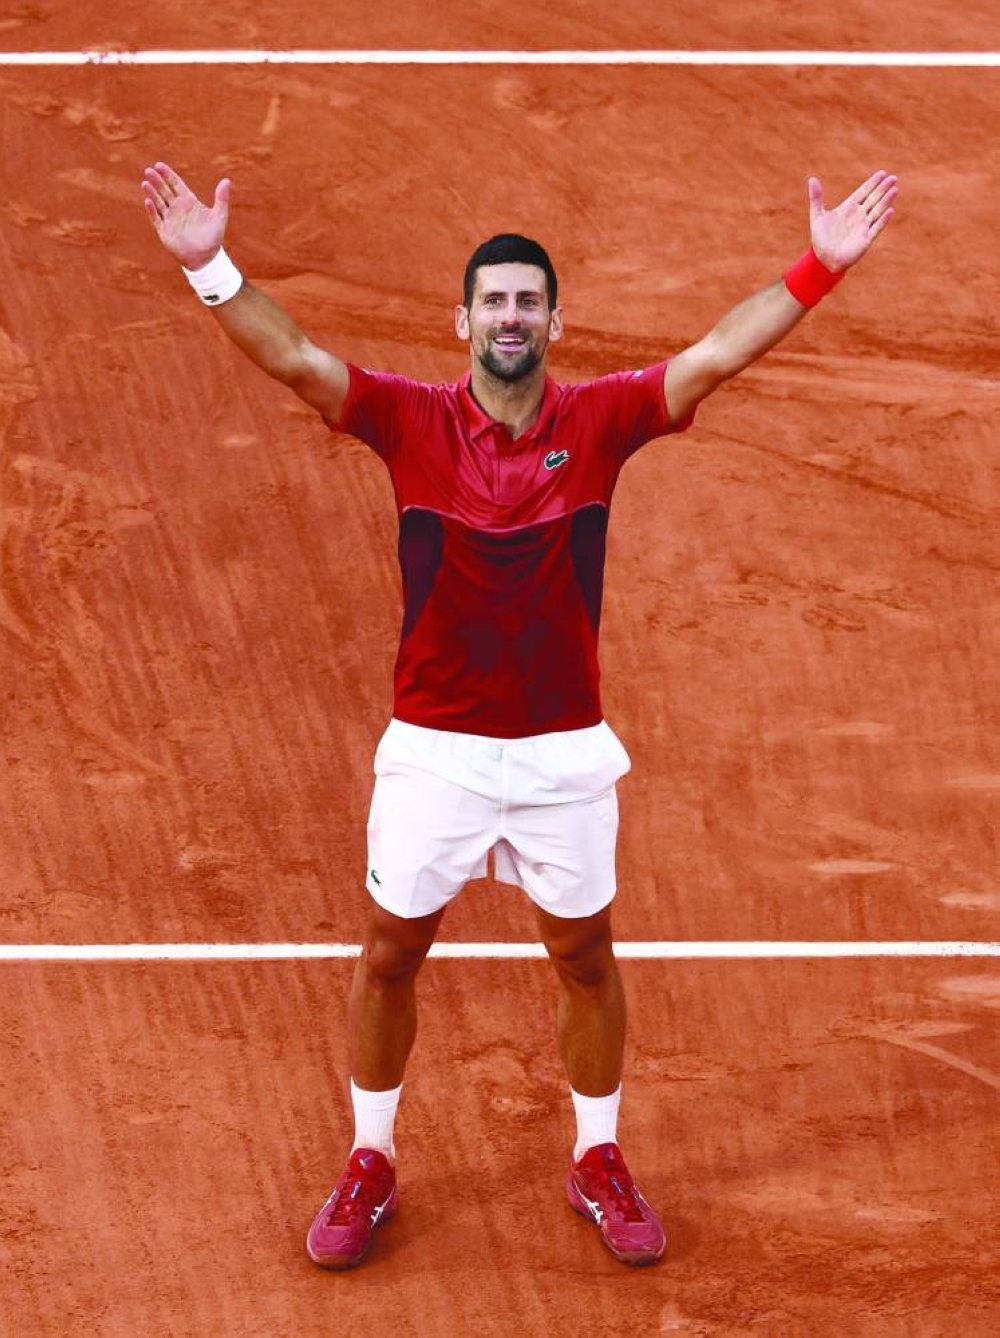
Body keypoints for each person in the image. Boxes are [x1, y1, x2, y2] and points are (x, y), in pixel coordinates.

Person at [141, 160, 897, 1269]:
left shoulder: (600, 420)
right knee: (391, 951)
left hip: (562, 755)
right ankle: (371, 1157)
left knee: (584, 954)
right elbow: (294, 357)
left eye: (526, 300)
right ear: (462, 320)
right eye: (492, 299)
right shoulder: (407, 421)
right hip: (434, 752)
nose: (509, 314)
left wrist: (815, 269)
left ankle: (597, 1157)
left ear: (552, 319)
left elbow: (718, 354)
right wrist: (209, 265)